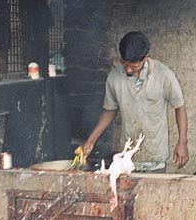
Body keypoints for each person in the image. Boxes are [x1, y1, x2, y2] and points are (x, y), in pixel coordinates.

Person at [78, 31, 189, 173]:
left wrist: (182, 142)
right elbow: (110, 110)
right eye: (125, 64)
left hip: (155, 157)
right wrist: (91, 141)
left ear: (146, 58)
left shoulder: (164, 74)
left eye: (134, 66)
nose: (128, 69)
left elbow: (179, 107)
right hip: (127, 158)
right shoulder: (114, 77)